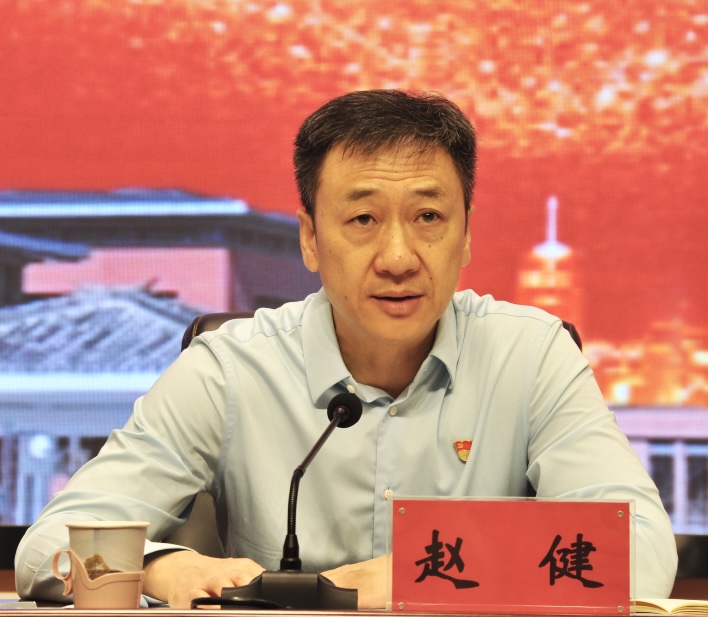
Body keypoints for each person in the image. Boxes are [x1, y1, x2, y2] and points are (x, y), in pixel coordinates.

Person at [15, 89, 677, 608]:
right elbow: (49, 548)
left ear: (467, 235)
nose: (398, 257)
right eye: (362, 219)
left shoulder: (531, 357)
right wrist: (166, 568)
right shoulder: (229, 369)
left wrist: (425, 573)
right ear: (310, 238)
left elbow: (641, 550)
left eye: (428, 217)